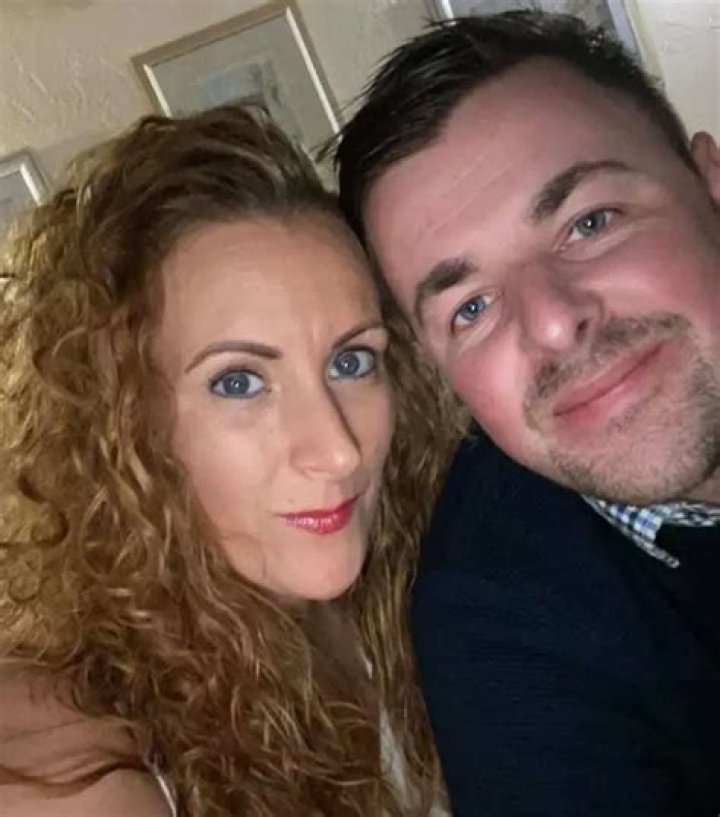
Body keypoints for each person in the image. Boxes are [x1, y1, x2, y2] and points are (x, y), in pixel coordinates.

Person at [0, 104, 462, 816]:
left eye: (351, 361)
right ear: (123, 423)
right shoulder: (62, 758)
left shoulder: (409, 588)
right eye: (239, 381)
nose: (338, 448)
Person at [334, 11, 720, 817]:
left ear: (711, 185)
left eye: (589, 223)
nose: (550, 322)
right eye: (470, 308)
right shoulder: (502, 622)